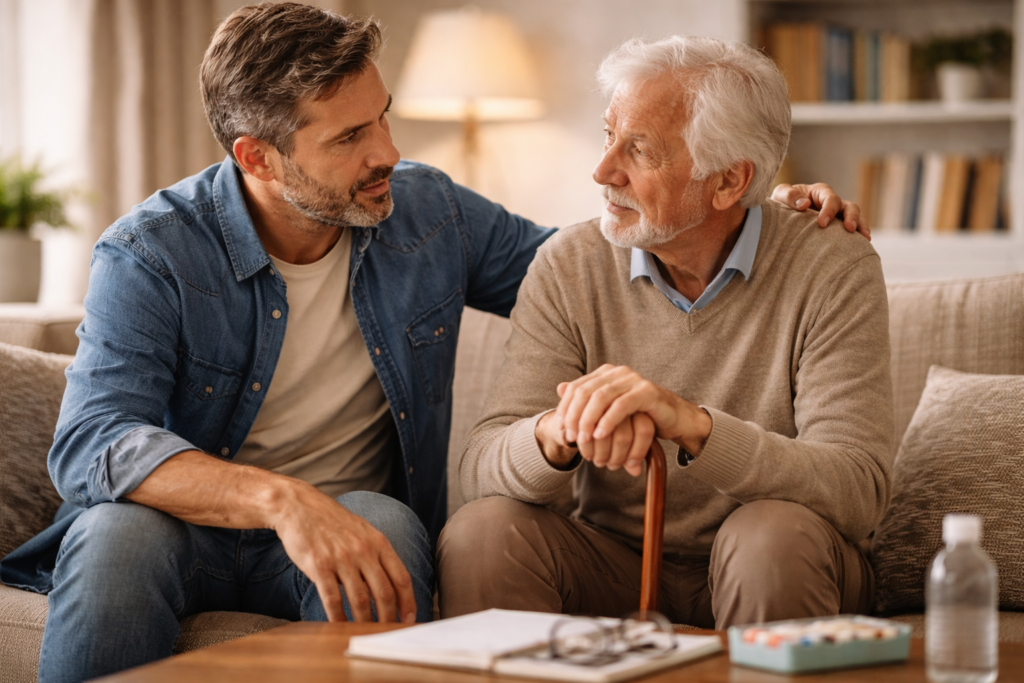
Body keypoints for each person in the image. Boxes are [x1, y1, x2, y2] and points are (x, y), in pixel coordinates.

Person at [0, 5, 862, 682]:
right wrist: (283, 502)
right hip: (184, 520)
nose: (388, 152)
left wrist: (752, 203)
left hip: (356, 508)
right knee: (115, 535)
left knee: (386, 524)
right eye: (348, 139)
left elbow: (597, 257)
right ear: (258, 159)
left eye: (381, 117)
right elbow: (92, 444)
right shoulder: (150, 250)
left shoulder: (425, 211)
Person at [437, 35, 894, 629]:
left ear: (729, 182)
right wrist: (559, 430)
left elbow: (857, 491)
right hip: (616, 563)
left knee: (768, 537)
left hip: (781, 556)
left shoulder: (832, 263)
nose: (602, 170)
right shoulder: (569, 262)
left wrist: (694, 427)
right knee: (482, 532)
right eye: (608, 136)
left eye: (640, 150)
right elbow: (480, 466)